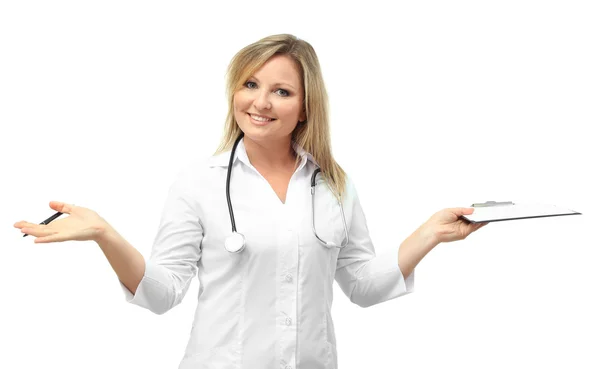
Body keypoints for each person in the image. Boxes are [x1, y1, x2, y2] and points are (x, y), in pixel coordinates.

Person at [14, 34, 487, 369]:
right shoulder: (197, 183)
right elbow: (161, 295)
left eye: (281, 91)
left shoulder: (335, 185)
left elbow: (363, 286)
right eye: (250, 85)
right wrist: (104, 234)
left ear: (305, 107)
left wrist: (431, 234)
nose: (260, 102)